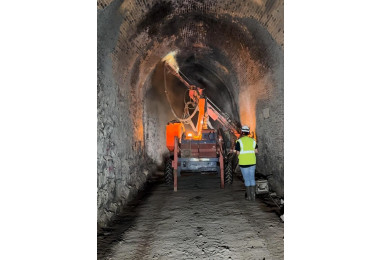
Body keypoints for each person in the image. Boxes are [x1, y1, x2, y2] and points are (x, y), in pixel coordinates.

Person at [234, 125, 258, 201]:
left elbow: (237, 153)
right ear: (248, 132)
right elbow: (256, 151)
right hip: (252, 162)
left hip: (244, 163)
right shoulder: (253, 141)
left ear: (241, 132)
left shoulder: (239, 141)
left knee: (247, 179)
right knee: (252, 178)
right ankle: (253, 196)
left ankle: (249, 197)